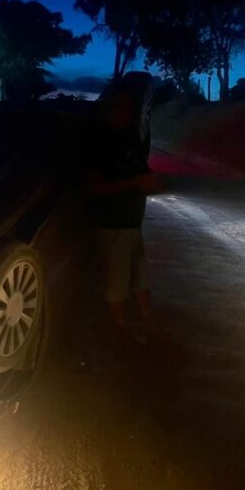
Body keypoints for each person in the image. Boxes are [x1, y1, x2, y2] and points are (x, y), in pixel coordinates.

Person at [86, 82, 163, 346]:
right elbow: (95, 187)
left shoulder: (131, 139)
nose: (124, 112)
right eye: (118, 106)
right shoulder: (100, 142)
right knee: (117, 282)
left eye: (129, 107)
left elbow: (141, 173)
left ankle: (150, 324)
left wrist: (150, 182)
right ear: (108, 108)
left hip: (132, 223)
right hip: (112, 224)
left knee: (140, 277)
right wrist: (135, 182)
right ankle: (120, 333)